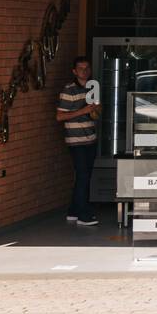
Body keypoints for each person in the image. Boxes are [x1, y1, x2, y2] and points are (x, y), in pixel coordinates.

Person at [56, 56, 101, 226]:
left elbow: (96, 114)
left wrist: (95, 110)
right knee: (83, 176)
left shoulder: (92, 88)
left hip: (91, 138)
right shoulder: (69, 90)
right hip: (76, 140)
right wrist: (83, 110)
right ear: (74, 71)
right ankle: (84, 215)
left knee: (85, 176)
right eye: (81, 68)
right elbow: (59, 116)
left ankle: (73, 211)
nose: (85, 71)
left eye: (87, 68)